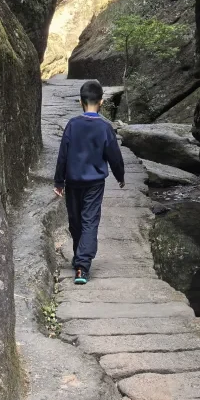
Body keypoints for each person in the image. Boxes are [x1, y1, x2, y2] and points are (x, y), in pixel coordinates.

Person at [53, 79, 125, 284]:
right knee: (88, 221)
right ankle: (81, 265)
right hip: (94, 182)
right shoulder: (104, 128)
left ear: (80, 102)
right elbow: (114, 156)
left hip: (73, 181)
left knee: (76, 221)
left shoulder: (72, 125)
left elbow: (63, 155)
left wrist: (59, 181)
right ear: (101, 102)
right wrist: (120, 177)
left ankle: (81, 262)